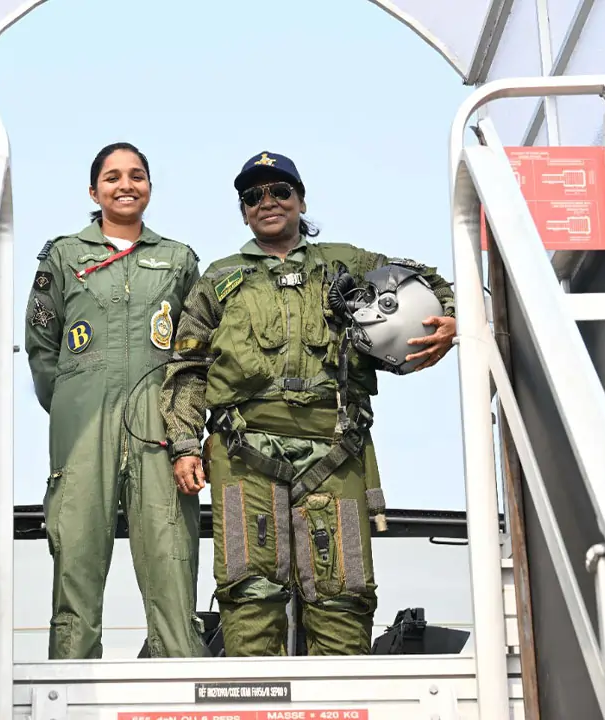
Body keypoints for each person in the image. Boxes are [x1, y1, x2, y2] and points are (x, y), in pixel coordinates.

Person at [158, 151, 457, 657]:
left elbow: (423, 278)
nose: (268, 202)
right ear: (244, 211)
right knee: (248, 590)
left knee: (343, 592)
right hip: (243, 449)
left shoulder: (347, 264)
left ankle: (343, 697)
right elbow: (188, 366)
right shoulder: (219, 279)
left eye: (280, 191)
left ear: (300, 199)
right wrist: (186, 444)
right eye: (253, 196)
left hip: (335, 448)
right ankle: (254, 698)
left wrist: (450, 315)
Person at [24, 141, 207, 659]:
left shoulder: (178, 259)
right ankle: (69, 686)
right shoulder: (63, 256)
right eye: (112, 177)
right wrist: (73, 405)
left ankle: (180, 682)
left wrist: (184, 429)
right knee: (76, 556)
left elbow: (195, 349)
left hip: (159, 427)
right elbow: (41, 345)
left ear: (149, 186)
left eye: (136, 175)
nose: (125, 185)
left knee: (172, 556)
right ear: (93, 191)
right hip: (83, 427)